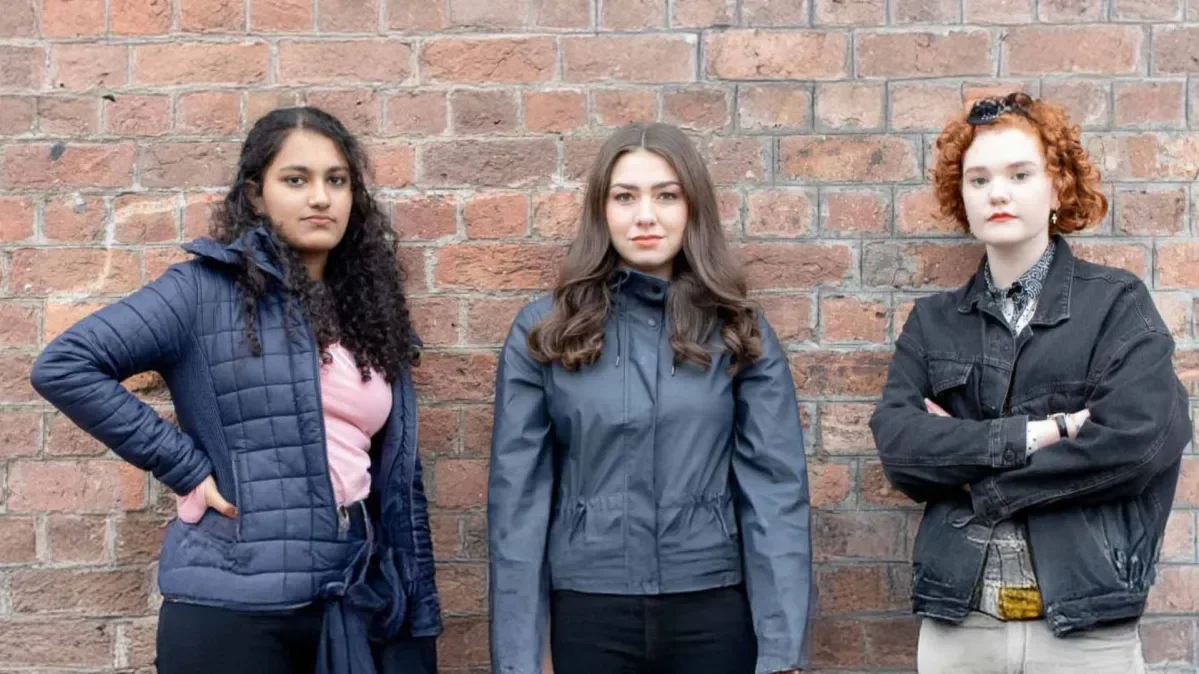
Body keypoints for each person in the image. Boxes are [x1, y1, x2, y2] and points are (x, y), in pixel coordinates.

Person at [30, 107, 440, 674]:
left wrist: (418, 614)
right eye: (296, 180)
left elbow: (399, 484)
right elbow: (65, 365)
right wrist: (185, 466)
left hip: (349, 601)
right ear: (256, 195)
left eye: (336, 180)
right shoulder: (202, 291)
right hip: (232, 612)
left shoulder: (371, 316)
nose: (320, 197)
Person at [870, 93, 1191, 674]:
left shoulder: (1117, 306)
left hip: (1086, 632)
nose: (998, 192)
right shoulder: (933, 321)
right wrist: (1048, 433)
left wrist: (979, 481)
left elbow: (1138, 444)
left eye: (1020, 174)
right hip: (960, 628)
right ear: (960, 196)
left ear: (1057, 188)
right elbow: (901, 449)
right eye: (978, 179)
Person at [487, 122, 813, 674]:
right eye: (625, 196)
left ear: (692, 209)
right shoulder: (544, 332)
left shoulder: (736, 330)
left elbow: (776, 497)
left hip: (710, 609)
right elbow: (516, 505)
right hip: (589, 613)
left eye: (666, 195)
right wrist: (518, 658)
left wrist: (781, 655)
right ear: (601, 210)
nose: (645, 215)